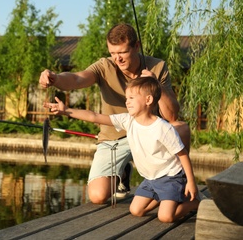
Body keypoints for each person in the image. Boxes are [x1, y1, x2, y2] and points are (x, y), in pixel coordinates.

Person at [39, 23, 190, 204]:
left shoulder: (157, 67)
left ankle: (180, 187)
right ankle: (123, 173)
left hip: (150, 135)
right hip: (114, 138)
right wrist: (55, 78)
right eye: (113, 53)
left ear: (136, 46)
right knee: (98, 196)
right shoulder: (104, 66)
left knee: (180, 129)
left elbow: (172, 116)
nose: (117, 59)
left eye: (122, 52)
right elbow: (77, 78)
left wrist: (155, 83)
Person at [44, 76, 199, 223]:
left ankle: (195, 203)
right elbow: (94, 116)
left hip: (170, 177)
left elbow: (183, 154)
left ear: (148, 100)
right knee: (136, 210)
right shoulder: (128, 120)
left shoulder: (162, 128)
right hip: (151, 179)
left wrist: (191, 182)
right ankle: (163, 198)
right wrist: (67, 111)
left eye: (131, 98)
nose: (127, 102)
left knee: (165, 217)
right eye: (126, 98)